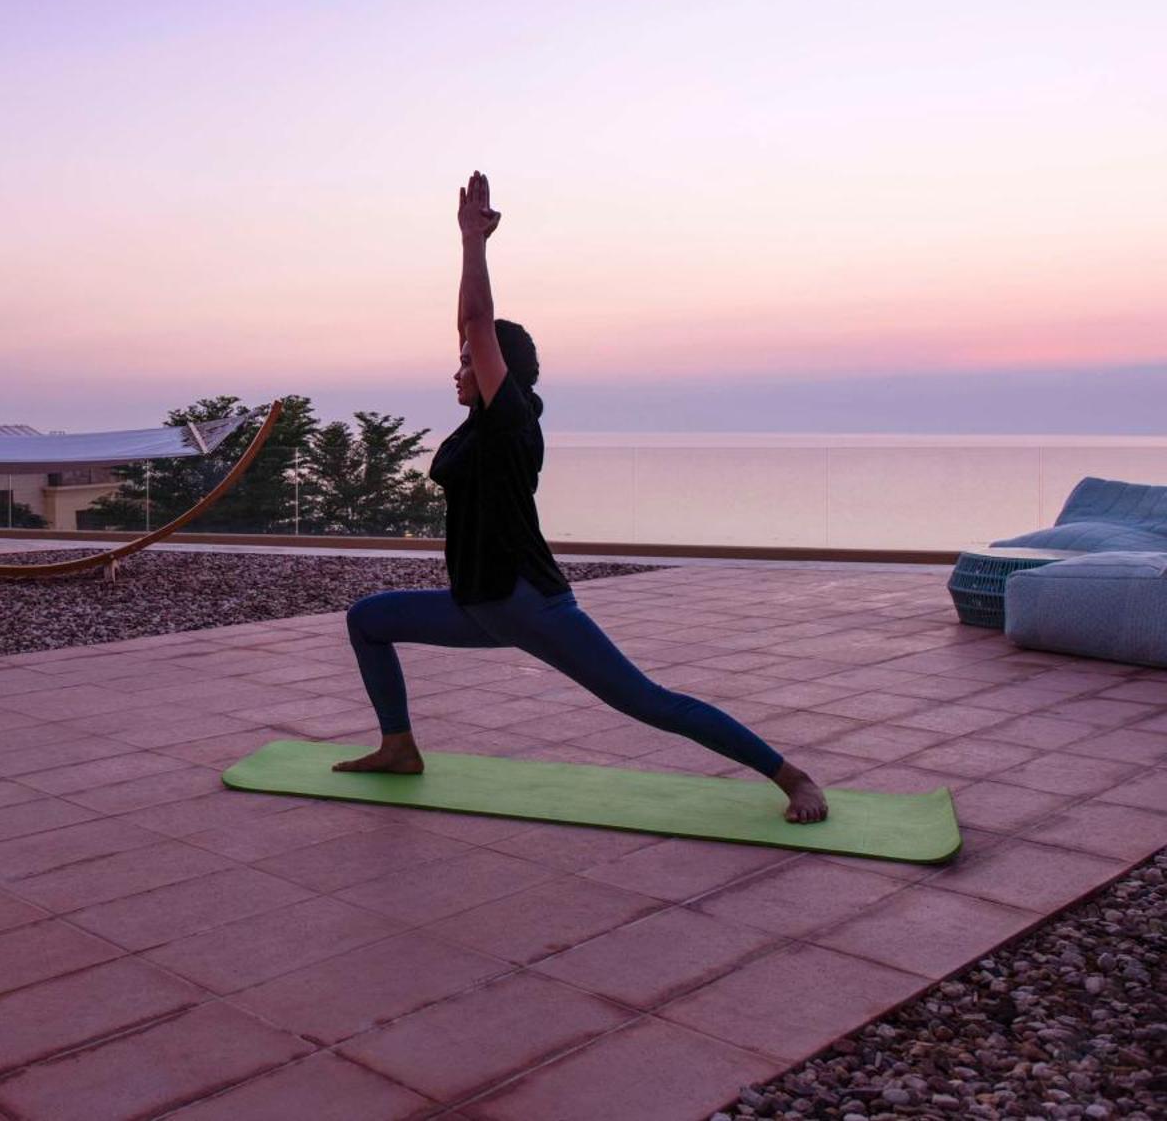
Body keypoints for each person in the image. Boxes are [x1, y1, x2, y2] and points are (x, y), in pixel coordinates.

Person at [331, 170, 829, 824]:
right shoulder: (485, 422)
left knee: (650, 701)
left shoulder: (512, 419)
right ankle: (399, 746)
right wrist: (468, 260)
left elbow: (479, 322)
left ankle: (793, 777)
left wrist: (472, 244)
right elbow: (470, 324)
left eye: (466, 361)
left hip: (530, 604)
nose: (455, 368)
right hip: (476, 605)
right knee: (368, 619)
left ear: (493, 370)